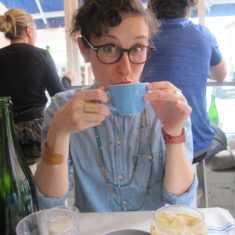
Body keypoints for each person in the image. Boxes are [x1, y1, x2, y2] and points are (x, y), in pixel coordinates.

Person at [34, 0, 197, 212]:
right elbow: (49, 201)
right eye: (110, 48)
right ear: (84, 49)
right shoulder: (64, 108)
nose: (126, 68)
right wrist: (58, 133)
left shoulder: (169, 105)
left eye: (138, 48)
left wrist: (174, 132)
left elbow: (180, 200)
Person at [141, 0, 227, 162]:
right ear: (187, 9)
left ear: (151, 9)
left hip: (146, 147)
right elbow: (220, 75)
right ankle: (193, 184)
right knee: (219, 133)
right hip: (195, 146)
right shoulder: (203, 34)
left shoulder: (141, 37)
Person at [0, 8, 72, 166]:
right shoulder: (41, 56)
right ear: (28, 30)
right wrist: (66, 80)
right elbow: (59, 95)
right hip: (37, 135)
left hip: (6, 135)